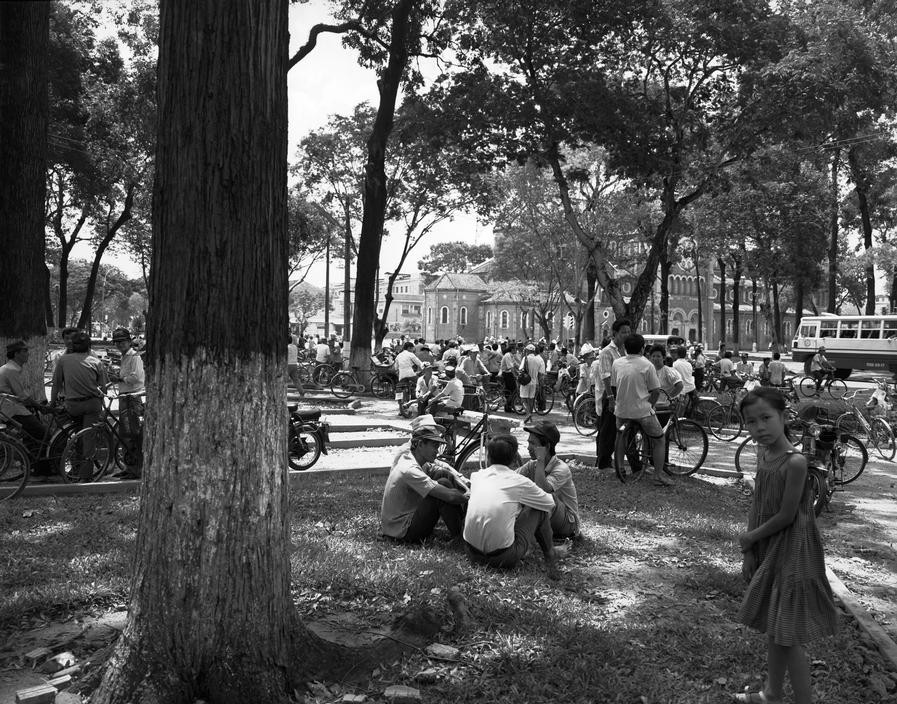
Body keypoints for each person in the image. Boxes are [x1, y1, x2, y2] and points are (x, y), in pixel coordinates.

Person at [733, 388, 839, 704]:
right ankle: (772, 694)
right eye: (750, 422)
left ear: (783, 416)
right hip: (768, 548)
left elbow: (786, 515)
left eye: (766, 418)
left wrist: (751, 538)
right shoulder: (764, 456)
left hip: (793, 552)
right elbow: (758, 504)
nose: (759, 428)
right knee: (774, 627)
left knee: (787, 634)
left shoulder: (795, 463)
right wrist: (749, 549)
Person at [462, 434, 561, 581]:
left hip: (471, 553)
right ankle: (550, 555)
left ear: (488, 457)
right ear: (515, 458)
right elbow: (549, 503)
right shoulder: (519, 481)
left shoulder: (477, 476)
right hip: (502, 558)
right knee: (538, 509)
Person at [379, 414, 469, 543]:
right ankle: (461, 537)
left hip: (403, 521)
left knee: (442, 479)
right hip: (402, 532)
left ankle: (462, 530)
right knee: (441, 492)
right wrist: (469, 496)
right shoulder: (409, 468)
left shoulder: (416, 459)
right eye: (434, 446)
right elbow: (450, 496)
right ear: (420, 444)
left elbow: (443, 467)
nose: (437, 451)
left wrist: (464, 483)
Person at [611, 334, 673, 486]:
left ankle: (619, 469)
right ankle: (658, 475)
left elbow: (614, 387)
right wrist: (650, 405)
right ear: (642, 349)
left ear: (625, 348)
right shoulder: (647, 365)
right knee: (659, 440)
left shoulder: (617, 363)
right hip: (642, 412)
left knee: (620, 438)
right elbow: (656, 391)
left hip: (621, 410)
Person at [50, 331, 108, 482]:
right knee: (88, 439)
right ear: (89, 347)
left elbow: (56, 384)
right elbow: (104, 388)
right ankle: (85, 476)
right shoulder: (96, 362)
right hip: (92, 405)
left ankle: (70, 466)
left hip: (72, 406)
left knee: (73, 435)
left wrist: (52, 402)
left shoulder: (63, 360)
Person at [517, 422, 580, 541]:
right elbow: (510, 478)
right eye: (529, 442)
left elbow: (542, 490)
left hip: (568, 523)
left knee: (546, 497)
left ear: (546, 447)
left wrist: (540, 460)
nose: (528, 447)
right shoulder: (532, 466)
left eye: (533, 443)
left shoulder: (561, 468)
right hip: (549, 518)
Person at [0, 341, 51, 472]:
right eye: (25, 351)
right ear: (16, 354)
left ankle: (34, 465)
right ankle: (41, 468)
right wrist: (40, 407)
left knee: (32, 434)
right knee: (43, 433)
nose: (28, 354)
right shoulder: (11, 370)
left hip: (11, 407)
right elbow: (22, 396)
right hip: (11, 409)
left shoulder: (9, 368)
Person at [109, 328, 146, 479]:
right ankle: (129, 466)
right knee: (125, 434)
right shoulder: (124, 357)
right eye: (117, 342)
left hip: (132, 397)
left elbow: (136, 377)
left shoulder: (134, 357)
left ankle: (136, 469)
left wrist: (120, 379)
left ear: (129, 341)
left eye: (122, 341)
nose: (120, 344)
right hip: (124, 396)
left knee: (132, 433)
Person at [596, 319, 631, 471]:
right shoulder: (607, 352)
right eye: (623, 332)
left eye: (629, 332)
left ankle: (628, 462)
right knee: (608, 429)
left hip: (626, 392)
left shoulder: (628, 350)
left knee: (625, 428)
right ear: (614, 333)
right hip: (612, 392)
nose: (627, 335)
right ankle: (603, 462)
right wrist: (611, 398)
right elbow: (605, 375)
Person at [648, 345, 683, 423]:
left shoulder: (668, 371)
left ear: (663, 358)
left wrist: (669, 397)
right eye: (653, 356)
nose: (655, 358)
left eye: (658, 356)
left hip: (664, 407)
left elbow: (679, 385)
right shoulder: (648, 371)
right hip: (651, 407)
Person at [394, 341, 423, 415]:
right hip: (410, 374)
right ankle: (421, 402)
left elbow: (395, 367)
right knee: (421, 384)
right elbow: (419, 363)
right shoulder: (410, 354)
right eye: (412, 348)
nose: (413, 349)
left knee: (399, 390)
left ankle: (400, 409)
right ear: (409, 348)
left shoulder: (399, 355)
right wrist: (424, 368)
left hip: (401, 376)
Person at [518, 343, 545, 422]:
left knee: (523, 399)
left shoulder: (525, 358)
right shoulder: (538, 359)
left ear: (528, 351)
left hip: (525, 382)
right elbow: (541, 373)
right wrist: (540, 384)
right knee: (531, 400)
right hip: (534, 382)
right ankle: (531, 418)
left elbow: (521, 369)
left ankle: (528, 414)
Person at [671, 346, 696, 415]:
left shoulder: (675, 364)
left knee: (679, 408)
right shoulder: (689, 364)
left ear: (677, 354)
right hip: (691, 386)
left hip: (682, 389)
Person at [499, 343, 519, 413]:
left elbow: (515, 364)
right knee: (513, 390)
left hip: (509, 374)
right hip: (507, 375)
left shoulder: (511, 355)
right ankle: (507, 406)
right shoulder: (507, 355)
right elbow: (511, 367)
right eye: (516, 348)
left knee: (510, 391)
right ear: (512, 349)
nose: (517, 350)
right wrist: (515, 375)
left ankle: (509, 406)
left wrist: (521, 369)